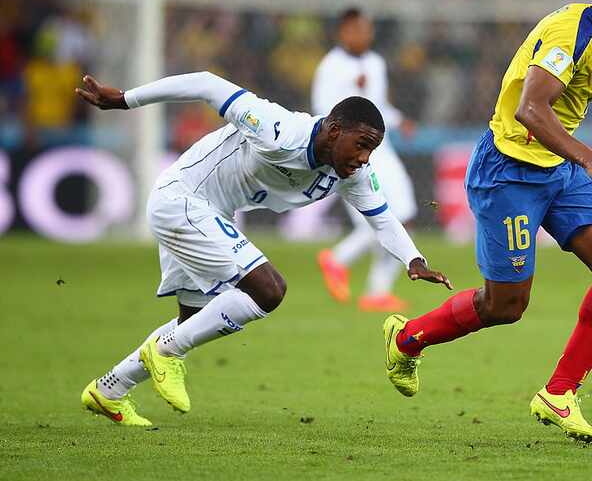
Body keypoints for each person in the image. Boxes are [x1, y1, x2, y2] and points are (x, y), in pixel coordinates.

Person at [382, 0, 592, 443]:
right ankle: (407, 338)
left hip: (557, 167)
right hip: (509, 172)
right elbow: (530, 109)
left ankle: (559, 394)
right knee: (506, 305)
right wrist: (590, 158)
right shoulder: (570, 35)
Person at [75, 71, 451, 426]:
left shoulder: (351, 174)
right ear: (335, 130)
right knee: (268, 290)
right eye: (363, 145)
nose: (365, 158)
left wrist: (414, 260)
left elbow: (382, 219)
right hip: (182, 199)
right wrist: (125, 99)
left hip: (212, 213)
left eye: (372, 150)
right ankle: (165, 352)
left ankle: (110, 389)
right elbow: (206, 83)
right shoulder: (279, 129)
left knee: (193, 323)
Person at [310, 7, 418, 312]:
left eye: (366, 29)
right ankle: (341, 261)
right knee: (380, 219)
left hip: (382, 149)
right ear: (343, 32)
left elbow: (379, 105)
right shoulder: (330, 66)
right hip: (353, 152)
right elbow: (323, 111)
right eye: (356, 29)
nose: (362, 34)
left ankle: (376, 290)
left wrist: (399, 119)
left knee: (405, 215)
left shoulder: (375, 63)